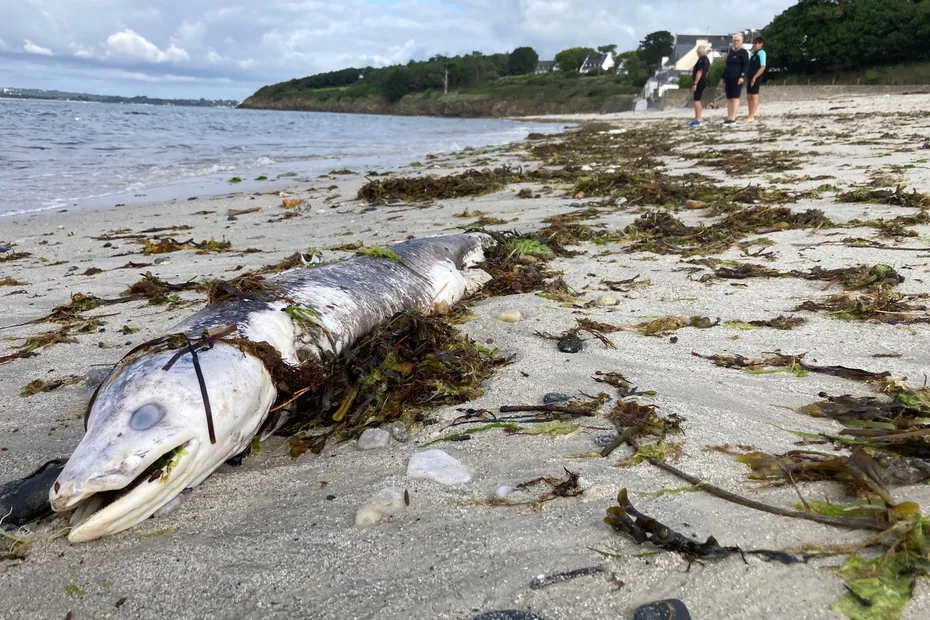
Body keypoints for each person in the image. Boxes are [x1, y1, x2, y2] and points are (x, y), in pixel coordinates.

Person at [719, 33, 749, 125]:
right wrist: (722, 78)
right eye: (734, 41)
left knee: (735, 98)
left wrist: (742, 76)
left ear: (741, 42)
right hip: (728, 78)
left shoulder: (743, 53)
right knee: (729, 98)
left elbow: (746, 66)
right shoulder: (731, 53)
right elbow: (727, 66)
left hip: (737, 78)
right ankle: (729, 117)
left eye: (737, 41)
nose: (735, 42)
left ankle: (733, 118)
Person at [746, 36, 767, 121]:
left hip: (756, 77)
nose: (754, 45)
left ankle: (752, 115)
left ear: (761, 44)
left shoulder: (761, 53)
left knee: (754, 96)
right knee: (749, 96)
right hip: (750, 77)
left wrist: (755, 77)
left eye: (756, 43)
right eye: (753, 43)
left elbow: (762, 66)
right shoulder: (753, 54)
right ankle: (749, 114)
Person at [689, 46, 710, 127]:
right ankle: (697, 118)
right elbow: (707, 72)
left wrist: (695, 83)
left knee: (697, 100)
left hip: (700, 82)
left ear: (699, 52)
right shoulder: (707, 60)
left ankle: (698, 118)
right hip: (703, 81)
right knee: (697, 99)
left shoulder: (702, 60)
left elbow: (700, 72)